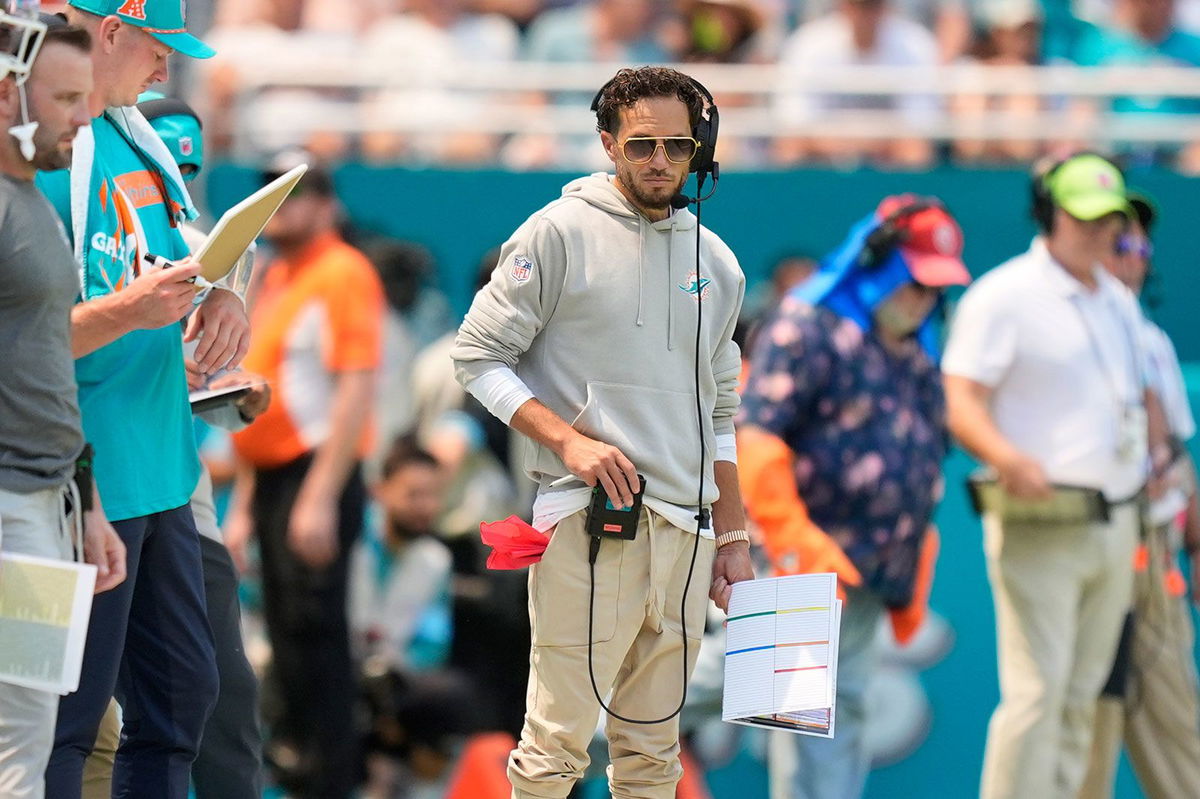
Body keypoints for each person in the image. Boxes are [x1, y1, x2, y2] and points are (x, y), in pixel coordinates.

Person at [451, 65, 754, 799]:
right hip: (590, 522)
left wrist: (735, 538)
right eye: (642, 143)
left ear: (700, 150)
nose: (659, 161)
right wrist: (568, 441)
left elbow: (719, 412)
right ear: (608, 142)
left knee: (654, 757)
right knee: (555, 745)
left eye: (677, 146)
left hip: (687, 534)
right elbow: (475, 354)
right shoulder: (557, 231)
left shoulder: (717, 260)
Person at [36, 2, 249, 797]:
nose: (167, 72)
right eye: (160, 49)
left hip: (160, 466)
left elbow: (186, 253)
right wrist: (127, 311)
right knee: (65, 718)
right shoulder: (45, 158)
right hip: (82, 477)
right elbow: (21, 344)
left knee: (180, 703)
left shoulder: (132, 134)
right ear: (112, 32)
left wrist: (227, 290)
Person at [737, 195, 970, 799]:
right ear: (880, 264)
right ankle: (607, 718)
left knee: (837, 712)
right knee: (752, 693)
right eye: (915, 282)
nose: (924, 298)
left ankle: (615, 715)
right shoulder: (807, 323)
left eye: (934, 288)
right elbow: (758, 438)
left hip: (872, 565)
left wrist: (913, 551)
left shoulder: (917, 344)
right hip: (803, 554)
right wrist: (793, 542)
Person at [942, 152, 1147, 799]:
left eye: (1109, 217)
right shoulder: (1004, 295)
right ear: (1050, 213)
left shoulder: (1115, 296)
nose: (1098, 230)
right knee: (1038, 690)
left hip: (1115, 521)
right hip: (1043, 519)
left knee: (1083, 693)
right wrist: (1006, 457)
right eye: (1083, 216)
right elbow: (961, 398)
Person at [226, 150, 385, 798]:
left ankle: (330, 781)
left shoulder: (342, 271)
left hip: (313, 475)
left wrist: (318, 495)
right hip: (273, 477)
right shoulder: (276, 272)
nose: (283, 208)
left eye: (296, 195)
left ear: (326, 205)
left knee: (317, 640)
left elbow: (355, 390)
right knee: (288, 637)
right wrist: (244, 498)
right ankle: (299, 774)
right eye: (273, 196)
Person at [0, 13, 126, 799]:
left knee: (30, 736)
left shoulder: (33, 204)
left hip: (48, 504)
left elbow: (48, 374)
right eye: (66, 98)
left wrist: (88, 504)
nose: (84, 118)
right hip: (11, 505)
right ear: (9, 94)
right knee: (18, 743)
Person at [1079, 192, 1200, 799]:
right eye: (1118, 241)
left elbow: (1178, 453)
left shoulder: (1148, 338)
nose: (1132, 257)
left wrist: (1196, 549)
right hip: (1088, 541)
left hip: (1151, 547)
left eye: (1139, 246)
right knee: (1086, 712)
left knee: (1172, 707)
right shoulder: (1064, 325)